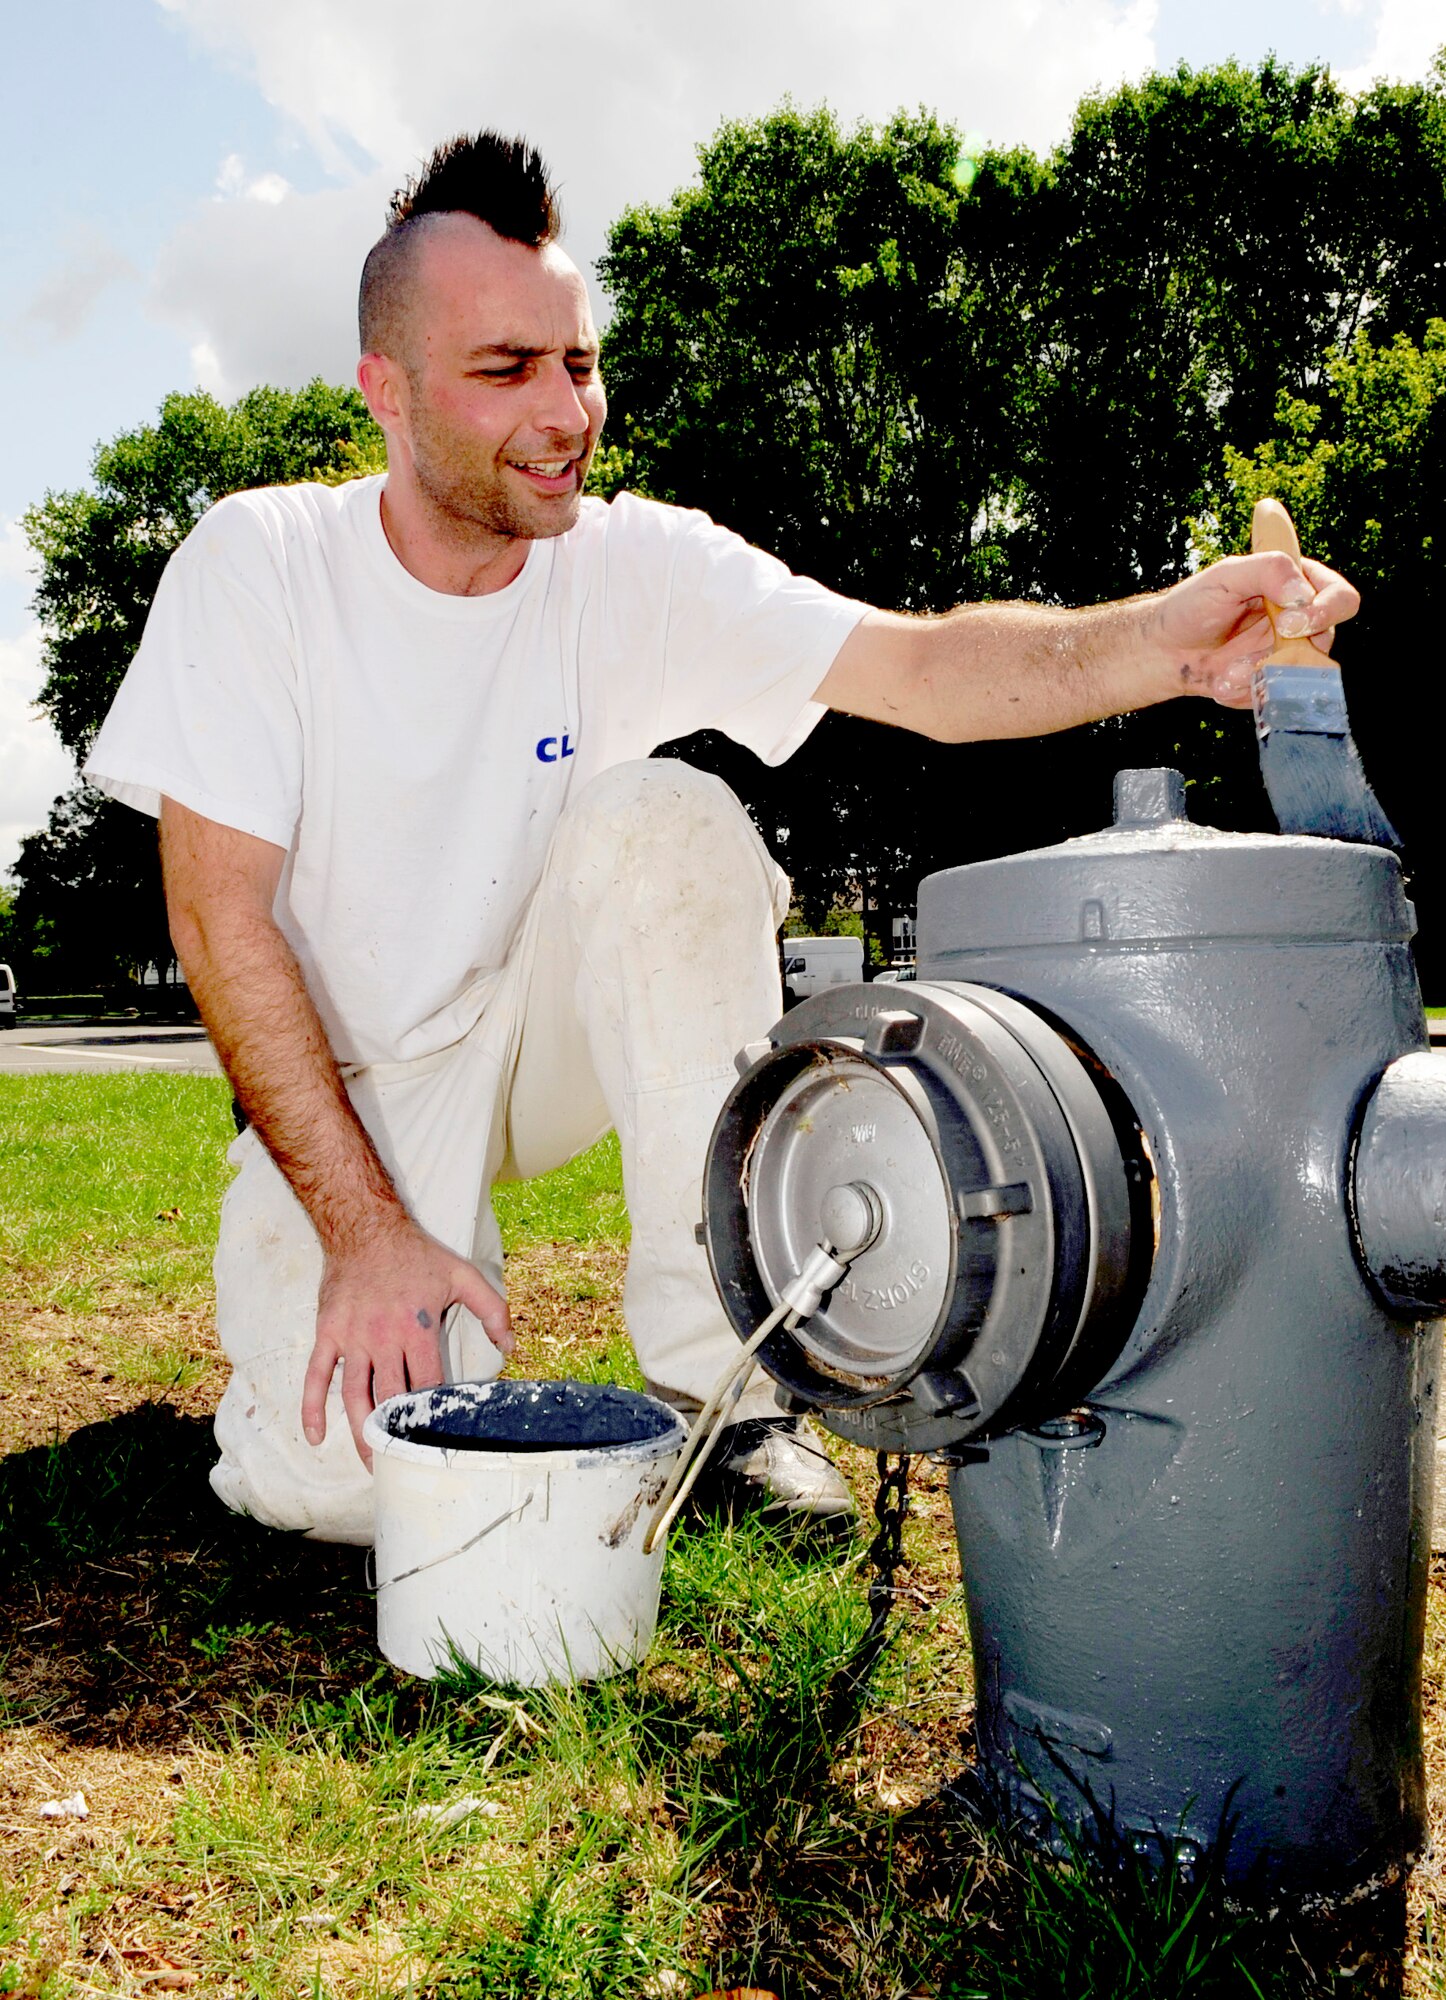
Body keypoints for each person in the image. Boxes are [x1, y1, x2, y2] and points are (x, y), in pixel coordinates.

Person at [84, 130, 1359, 1548]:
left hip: (535, 1023)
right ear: (383, 391)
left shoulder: (634, 561)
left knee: (665, 818)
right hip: (354, 1066)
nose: (564, 411)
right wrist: (367, 1234)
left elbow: (918, 669)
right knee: (333, 1491)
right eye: (505, 371)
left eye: (576, 361)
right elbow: (219, 919)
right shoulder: (261, 565)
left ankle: (731, 1397)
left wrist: (1167, 647)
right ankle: (347, 1303)